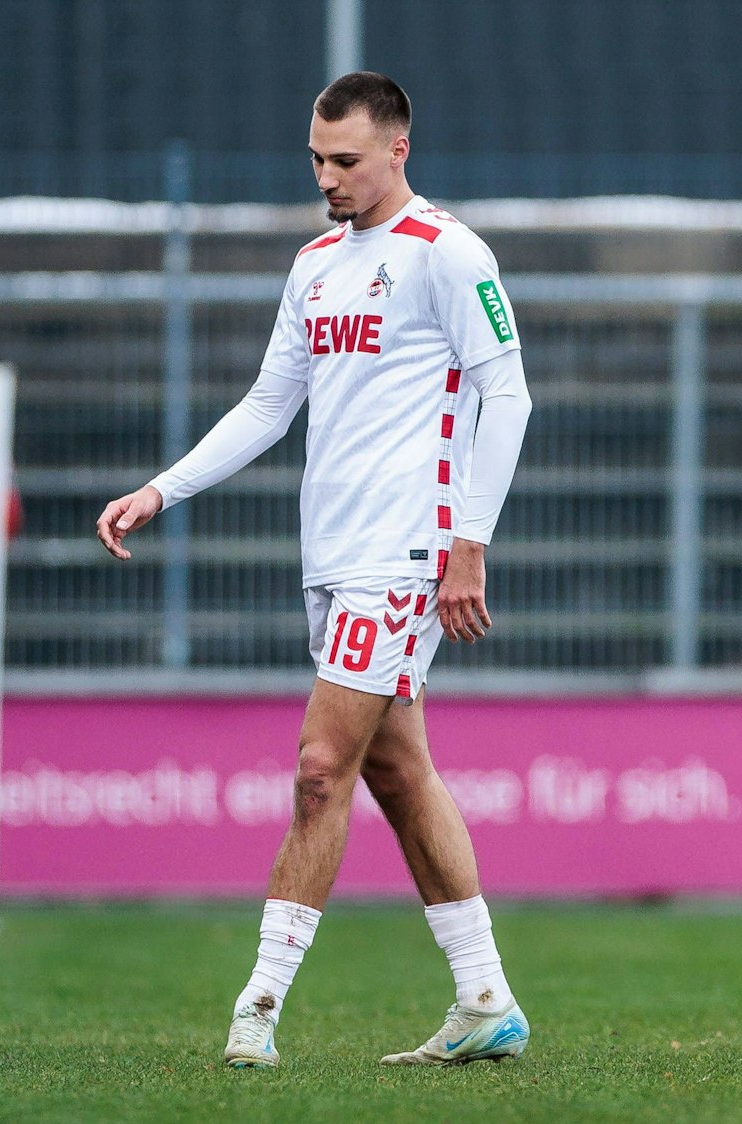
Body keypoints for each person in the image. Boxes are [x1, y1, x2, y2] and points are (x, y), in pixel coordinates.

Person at [96, 72, 535, 1069]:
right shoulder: (313, 265)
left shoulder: (448, 252)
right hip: (333, 554)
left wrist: (469, 541)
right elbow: (267, 403)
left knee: (319, 765)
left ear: (397, 151)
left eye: (345, 160)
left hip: (405, 553)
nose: (327, 178)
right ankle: (484, 997)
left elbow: (506, 397)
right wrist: (162, 488)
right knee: (394, 764)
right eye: (316, 160)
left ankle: (257, 1004)